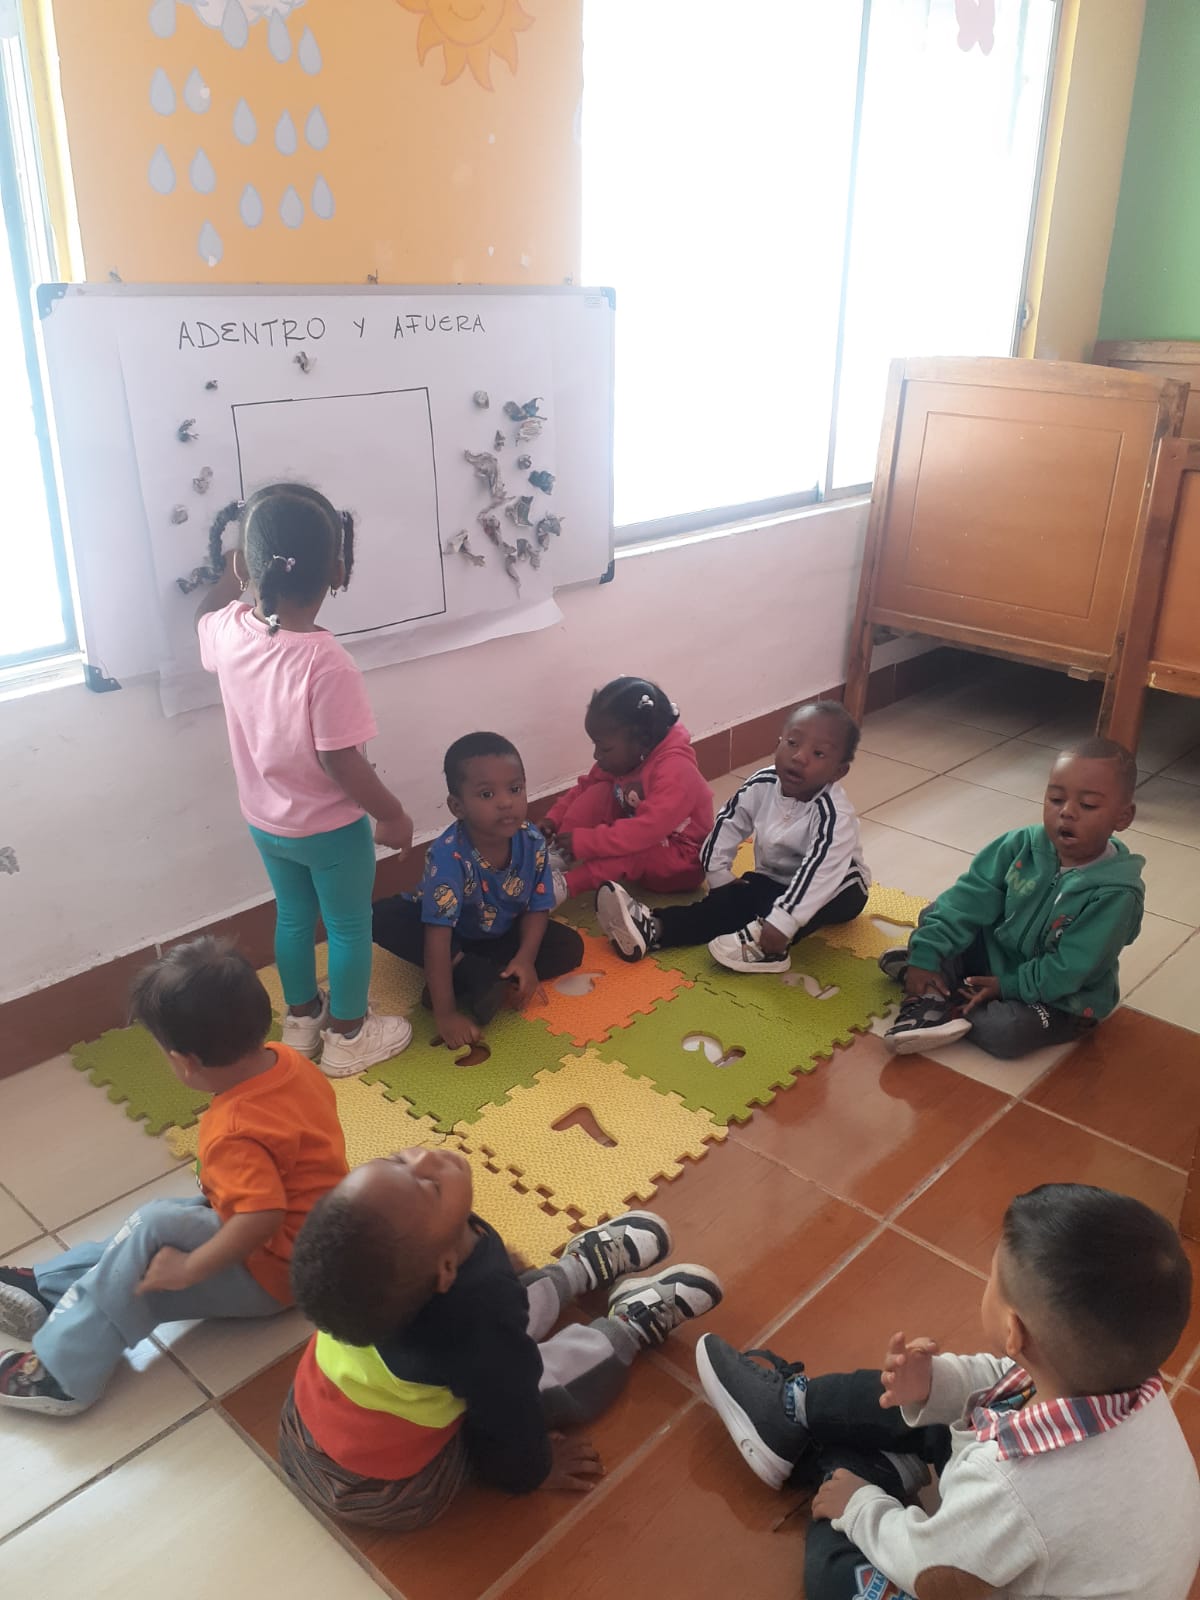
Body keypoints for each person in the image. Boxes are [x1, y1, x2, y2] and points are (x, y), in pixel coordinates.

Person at [696, 1183, 1200, 1600]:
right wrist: (931, 1384)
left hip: (966, 1561)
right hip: (1050, 1538)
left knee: (835, 1575)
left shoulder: (1014, 1489)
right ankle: (794, 1413)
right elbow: (1002, 1378)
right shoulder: (1123, 1379)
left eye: (992, 1277)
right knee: (917, 1389)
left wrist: (862, 1507)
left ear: (1014, 1329)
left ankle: (852, 1469)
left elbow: (932, 1573)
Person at [278, 1150, 724, 1530]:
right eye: (430, 1187)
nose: (427, 1156)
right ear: (445, 1270)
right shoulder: (467, 1327)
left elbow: (493, 1292)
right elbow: (509, 1412)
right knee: (528, 1381)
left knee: (501, 1329)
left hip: (314, 1426)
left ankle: (573, 1272)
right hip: (384, 1486)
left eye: (398, 1159)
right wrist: (533, 1469)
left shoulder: (376, 1280)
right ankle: (626, 1329)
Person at [0, 938, 349, 1415]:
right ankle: (49, 1285)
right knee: (156, 1227)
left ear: (186, 1062)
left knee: (150, 1240)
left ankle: (63, 1375)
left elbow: (262, 1217)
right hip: (308, 1248)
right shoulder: (290, 1062)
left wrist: (191, 1268)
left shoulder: (234, 1130)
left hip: (273, 1274)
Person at [194, 485, 415, 1078]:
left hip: (265, 822)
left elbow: (202, 618)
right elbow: (341, 761)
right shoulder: (326, 662)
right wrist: (392, 814)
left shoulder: (231, 631)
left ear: (248, 567)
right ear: (338, 571)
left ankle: (301, 1019)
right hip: (331, 829)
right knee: (348, 925)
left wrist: (230, 575)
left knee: (292, 916)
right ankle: (348, 1035)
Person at [879, 737, 1145, 1058]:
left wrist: (1006, 987)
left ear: (1123, 817)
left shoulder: (1116, 894)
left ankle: (944, 993)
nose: (1067, 812)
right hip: (997, 957)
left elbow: (1071, 970)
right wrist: (927, 953)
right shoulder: (1019, 845)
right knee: (938, 913)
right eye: (1056, 798)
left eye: (1088, 805)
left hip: (1060, 995)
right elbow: (966, 900)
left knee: (1005, 1032)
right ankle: (932, 977)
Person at [596, 701, 868, 974]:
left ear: (838, 772)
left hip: (840, 886)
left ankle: (771, 948)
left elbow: (820, 872)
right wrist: (719, 876)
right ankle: (655, 928)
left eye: (818, 753)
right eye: (792, 743)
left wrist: (783, 922)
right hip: (775, 880)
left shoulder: (833, 815)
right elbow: (728, 824)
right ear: (779, 743)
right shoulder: (762, 784)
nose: (799, 757)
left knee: (805, 902)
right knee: (733, 900)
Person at [372, 733, 584, 1049]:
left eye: (515, 789)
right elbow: (437, 937)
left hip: (499, 931)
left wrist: (525, 959)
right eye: (487, 794)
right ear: (457, 806)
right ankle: (469, 973)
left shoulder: (532, 841)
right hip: (448, 935)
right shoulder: (449, 856)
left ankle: (481, 977)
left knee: (569, 947)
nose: (506, 802)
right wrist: (446, 1014)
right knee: (380, 916)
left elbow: (538, 905)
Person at [540, 677, 713, 902]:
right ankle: (559, 854)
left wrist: (587, 842)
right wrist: (553, 819)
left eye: (605, 748)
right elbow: (584, 788)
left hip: (682, 862)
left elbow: (644, 833)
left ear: (642, 742)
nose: (596, 755)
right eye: (595, 745)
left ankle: (561, 888)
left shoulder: (677, 770)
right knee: (598, 791)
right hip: (643, 838)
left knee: (632, 848)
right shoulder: (626, 757)